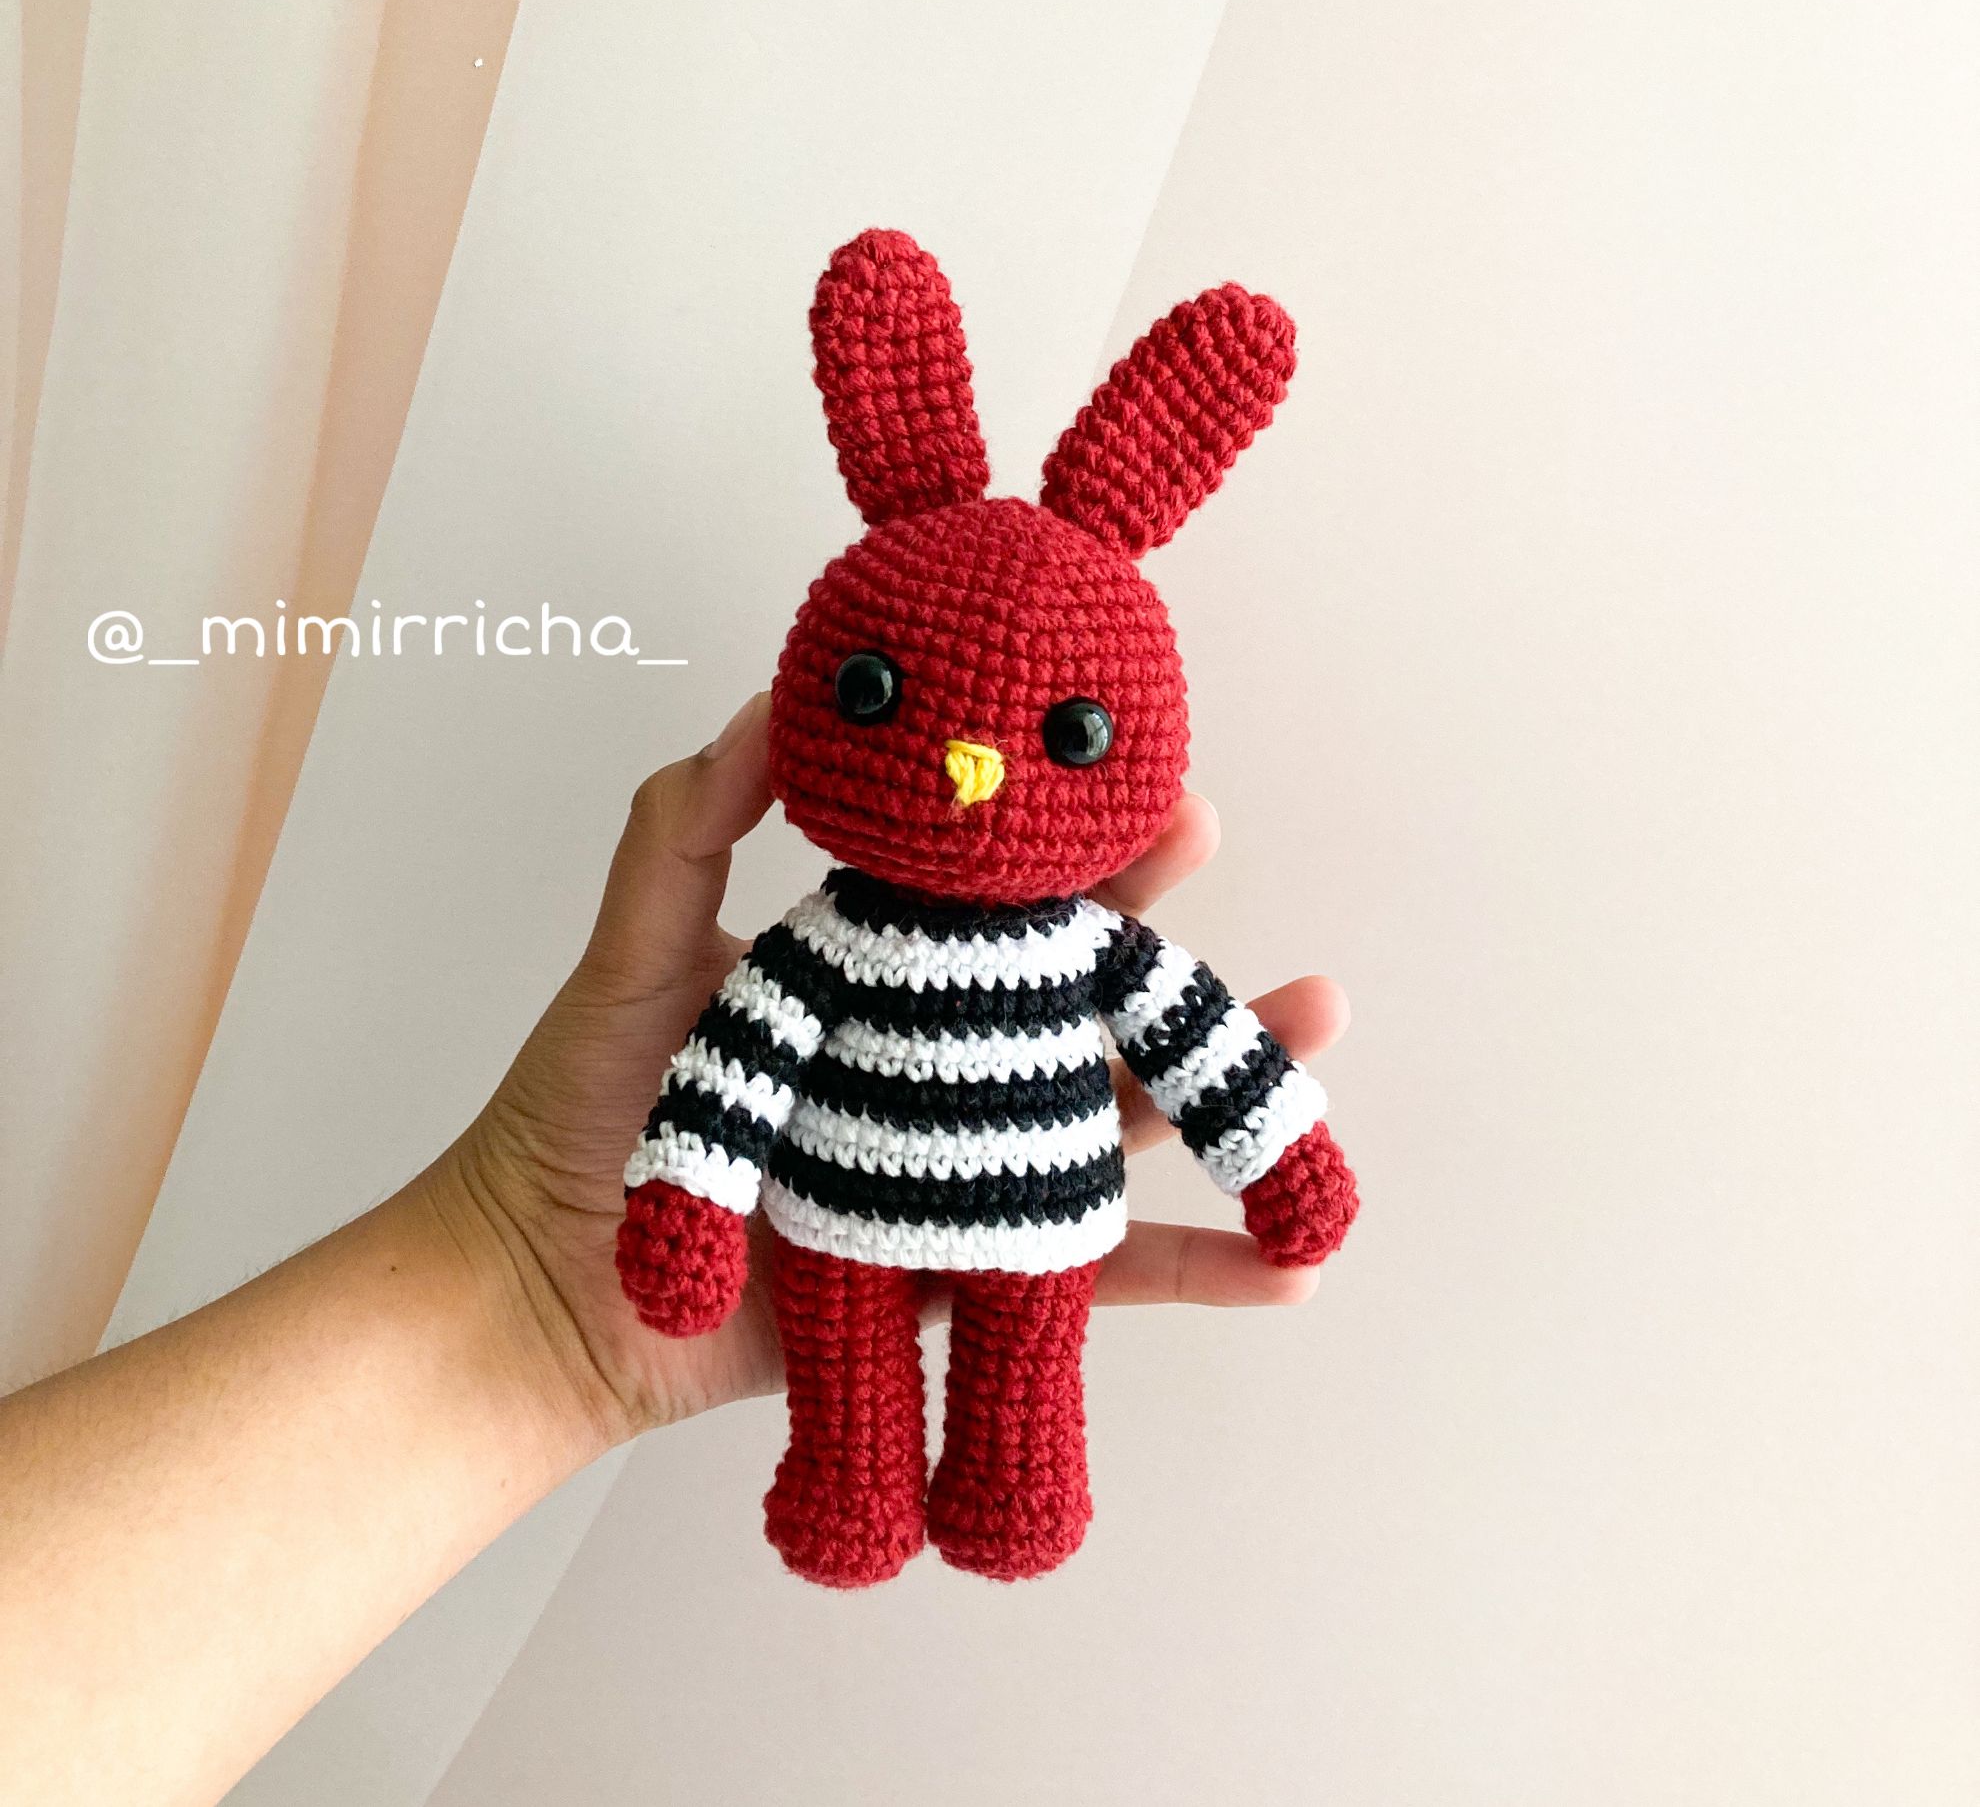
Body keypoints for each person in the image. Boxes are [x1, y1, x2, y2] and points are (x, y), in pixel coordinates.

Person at [0, 694, 1350, 1805]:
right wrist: (687, 1210)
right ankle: (852, 1481)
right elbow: (731, 1076)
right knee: (849, 1381)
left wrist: (1284, 1163)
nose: (970, 761)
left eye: (1067, 732)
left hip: (1032, 1230)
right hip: (837, 1225)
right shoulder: (826, 944)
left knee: (1024, 1386)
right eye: (880, 697)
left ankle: (1009, 1480)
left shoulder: (1094, 945)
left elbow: (1211, 1051)